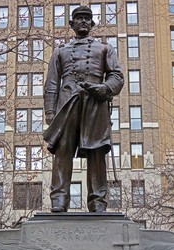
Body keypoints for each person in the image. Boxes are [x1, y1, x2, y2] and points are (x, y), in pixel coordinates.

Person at [43, 6, 124, 212]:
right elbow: (52, 84)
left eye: (87, 19)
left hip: (95, 104)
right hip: (67, 103)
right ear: (71, 24)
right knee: (63, 151)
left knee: (96, 151)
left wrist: (104, 88)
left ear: (92, 24)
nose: (83, 22)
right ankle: (59, 199)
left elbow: (117, 77)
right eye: (79, 18)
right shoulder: (60, 51)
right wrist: (50, 112)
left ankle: (98, 201)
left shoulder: (104, 49)